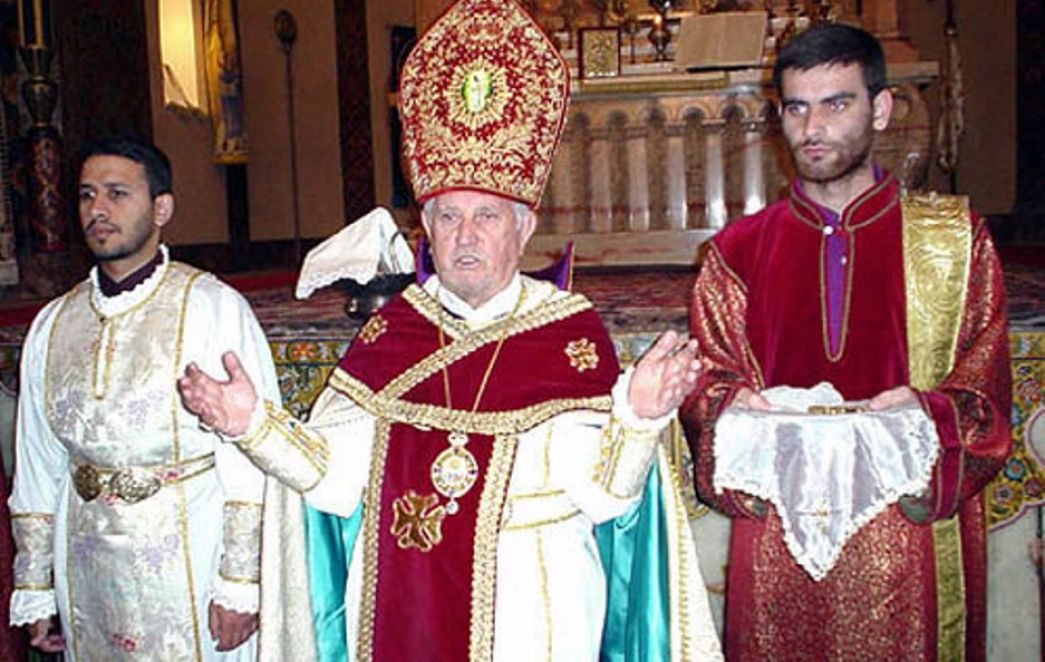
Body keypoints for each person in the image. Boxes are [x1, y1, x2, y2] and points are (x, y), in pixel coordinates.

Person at [177, 0, 723, 660]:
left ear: (522, 229)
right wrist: (253, 425)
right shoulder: (392, 335)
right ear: (424, 233)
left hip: (539, 607)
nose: (465, 237)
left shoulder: (568, 336)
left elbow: (605, 500)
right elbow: (337, 482)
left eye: (487, 217)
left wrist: (636, 419)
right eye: (447, 218)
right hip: (403, 605)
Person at [681, 23, 1011, 661]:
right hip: (780, 540)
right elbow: (707, 385)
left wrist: (928, 415)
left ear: (880, 109)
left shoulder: (953, 241)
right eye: (798, 108)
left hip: (905, 537)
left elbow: (986, 387)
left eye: (838, 104)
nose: (814, 128)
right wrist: (728, 409)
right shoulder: (737, 253)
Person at [8, 138, 280, 660]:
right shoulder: (53, 324)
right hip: (86, 562)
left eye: (116, 194)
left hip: (189, 559)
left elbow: (250, 460)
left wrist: (241, 583)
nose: (98, 211)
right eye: (87, 196)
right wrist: (36, 588)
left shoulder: (211, 307)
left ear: (162, 208)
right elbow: (38, 464)